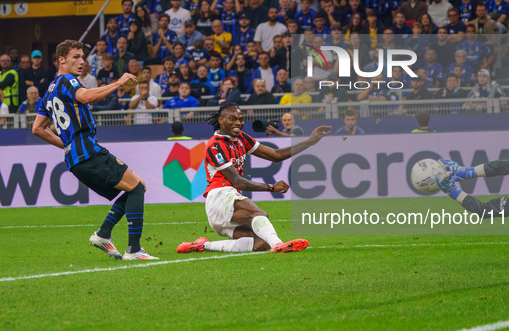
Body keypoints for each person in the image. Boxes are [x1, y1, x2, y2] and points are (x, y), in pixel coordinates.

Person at [32, 40, 157, 260]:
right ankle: (134, 250)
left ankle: (103, 234)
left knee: (137, 187)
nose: (82, 61)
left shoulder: (48, 92)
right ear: (61, 59)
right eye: (76, 57)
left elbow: (38, 128)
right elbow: (86, 96)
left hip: (76, 158)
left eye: (83, 57)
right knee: (137, 188)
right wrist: (119, 82)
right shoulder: (66, 80)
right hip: (88, 151)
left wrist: (65, 144)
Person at [176, 103, 332, 253]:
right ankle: (279, 245)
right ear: (221, 120)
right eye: (233, 119)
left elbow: (276, 155)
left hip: (228, 201)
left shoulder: (242, 138)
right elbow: (237, 181)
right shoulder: (215, 146)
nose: (238, 123)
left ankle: (202, 245)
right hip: (219, 197)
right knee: (258, 214)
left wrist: (310, 142)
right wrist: (271, 187)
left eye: (241, 119)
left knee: (260, 242)